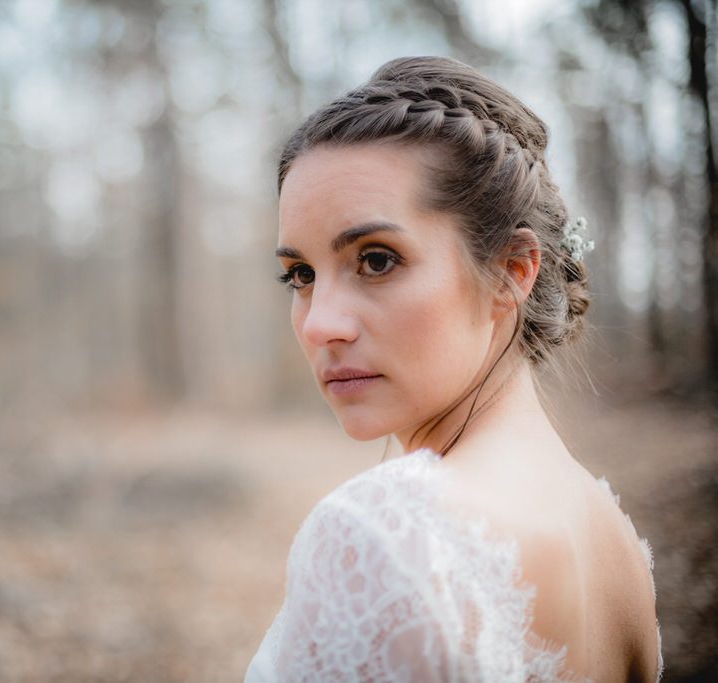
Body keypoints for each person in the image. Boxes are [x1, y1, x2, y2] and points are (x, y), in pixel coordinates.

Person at [245, 57, 662, 682]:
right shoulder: (612, 535)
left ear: (511, 270)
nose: (318, 324)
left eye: (377, 260)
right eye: (300, 275)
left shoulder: (386, 535)